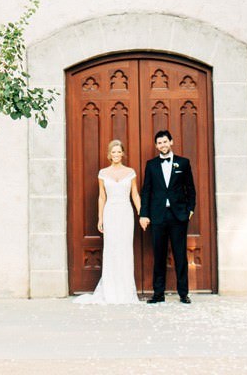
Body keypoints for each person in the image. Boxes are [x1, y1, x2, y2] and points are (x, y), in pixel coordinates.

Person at [75, 139, 141, 304]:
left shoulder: (130, 172)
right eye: (114, 152)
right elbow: (102, 196)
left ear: (123, 153)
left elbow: (135, 194)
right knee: (111, 249)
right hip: (110, 212)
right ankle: (111, 290)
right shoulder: (103, 173)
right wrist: (100, 218)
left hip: (126, 213)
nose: (117, 154)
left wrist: (142, 212)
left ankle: (126, 292)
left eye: (119, 151)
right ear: (109, 154)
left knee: (125, 249)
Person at [139, 129, 196, 304]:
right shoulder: (151, 165)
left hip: (178, 216)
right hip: (158, 216)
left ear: (171, 142)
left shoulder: (183, 163)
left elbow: (190, 189)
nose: (162, 145)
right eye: (159, 143)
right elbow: (146, 191)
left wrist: (190, 210)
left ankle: (183, 293)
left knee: (180, 255)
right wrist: (144, 214)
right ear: (156, 146)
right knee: (159, 254)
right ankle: (158, 293)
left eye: (165, 141)